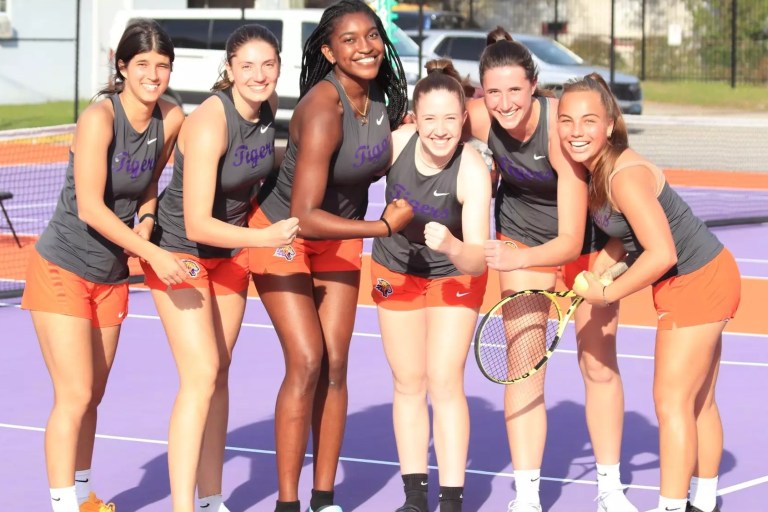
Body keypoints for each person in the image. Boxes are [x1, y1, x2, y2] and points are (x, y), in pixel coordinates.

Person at [246, 1, 412, 511]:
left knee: (337, 364)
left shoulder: (383, 96)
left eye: (372, 36)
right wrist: (383, 227)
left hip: (338, 236)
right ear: (328, 50)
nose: (365, 47)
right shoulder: (324, 107)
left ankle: (324, 499)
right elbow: (305, 213)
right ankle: (288, 503)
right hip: (285, 234)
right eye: (349, 39)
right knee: (307, 359)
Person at [465, 28, 638, 512]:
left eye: (515, 90)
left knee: (598, 365)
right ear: (480, 92)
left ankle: (609, 488)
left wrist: (516, 258)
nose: (504, 102)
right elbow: (425, 131)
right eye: (493, 91)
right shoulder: (477, 117)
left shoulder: (558, 136)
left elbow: (567, 237)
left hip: (584, 246)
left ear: (535, 85)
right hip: (522, 240)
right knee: (523, 373)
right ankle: (527, 495)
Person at [20, 19, 188, 512]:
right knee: (73, 394)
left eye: (162, 66)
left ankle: (84, 494)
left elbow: (152, 180)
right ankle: (62, 505)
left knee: (93, 394)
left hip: (111, 275)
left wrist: (150, 216)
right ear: (122, 67)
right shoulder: (101, 118)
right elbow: (92, 207)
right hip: (63, 266)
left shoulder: (171, 118)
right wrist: (154, 253)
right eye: (143, 65)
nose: (153, 75)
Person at [557, 73, 740, 512]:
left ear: (609, 123)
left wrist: (607, 292)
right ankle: (704, 501)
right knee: (698, 400)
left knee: (670, 401)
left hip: (697, 281)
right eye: (566, 121)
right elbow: (628, 235)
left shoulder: (624, 176)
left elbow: (661, 253)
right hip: (706, 272)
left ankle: (672, 506)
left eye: (588, 121)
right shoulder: (597, 167)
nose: (576, 132)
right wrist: (602, 266)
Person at [139, 25, 299, 512]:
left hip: (227, 255)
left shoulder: (269, 110)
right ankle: (183, 506)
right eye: (247, 66)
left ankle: (211, 500)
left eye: (267, 64)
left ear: (278, 67)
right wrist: (266, 238)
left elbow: (257, 183)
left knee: (220, 371)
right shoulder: (212, 121)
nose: (258, 75)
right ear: (229, 70)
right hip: (182, 250)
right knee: (201, 373)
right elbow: (197, 222)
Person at [370, 58, 491, 512]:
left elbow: (478, 260)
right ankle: (415, 496)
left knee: (443, 381)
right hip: (394, 270)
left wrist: (453, 247)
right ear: (414, 119)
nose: (440, 130)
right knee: (408, 381)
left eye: (449, 119)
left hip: (452, 273)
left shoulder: (472, 169)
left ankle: (452, 500)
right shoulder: (397, 143)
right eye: (430, 119)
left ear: (464, 119)